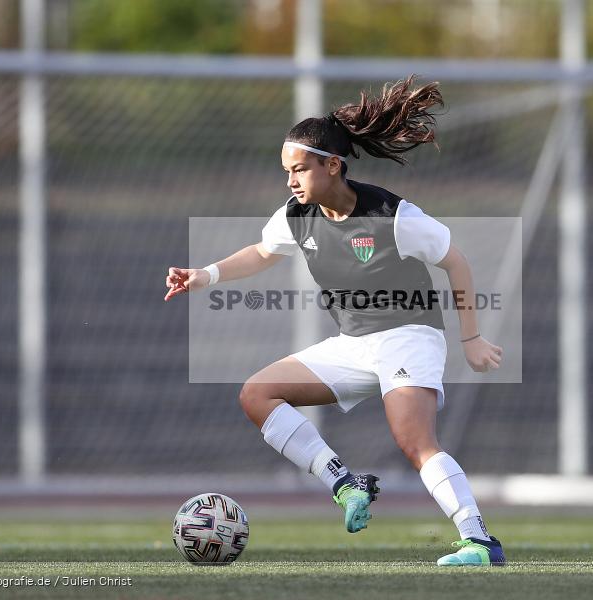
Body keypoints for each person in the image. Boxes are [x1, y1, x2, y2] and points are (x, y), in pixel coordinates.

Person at [165, 76, 505, 567]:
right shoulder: (296, 215)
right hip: (353, 342)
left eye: (299, 169)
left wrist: (470, 338)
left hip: (409, 338)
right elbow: (262, 252)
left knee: (414, 442)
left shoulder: (392, 215)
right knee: (256, 394)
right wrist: (206, 275)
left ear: (332, 165)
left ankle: (479, 541)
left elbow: (456, 262)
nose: (290, 181)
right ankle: (345, 484)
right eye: (287, 171)